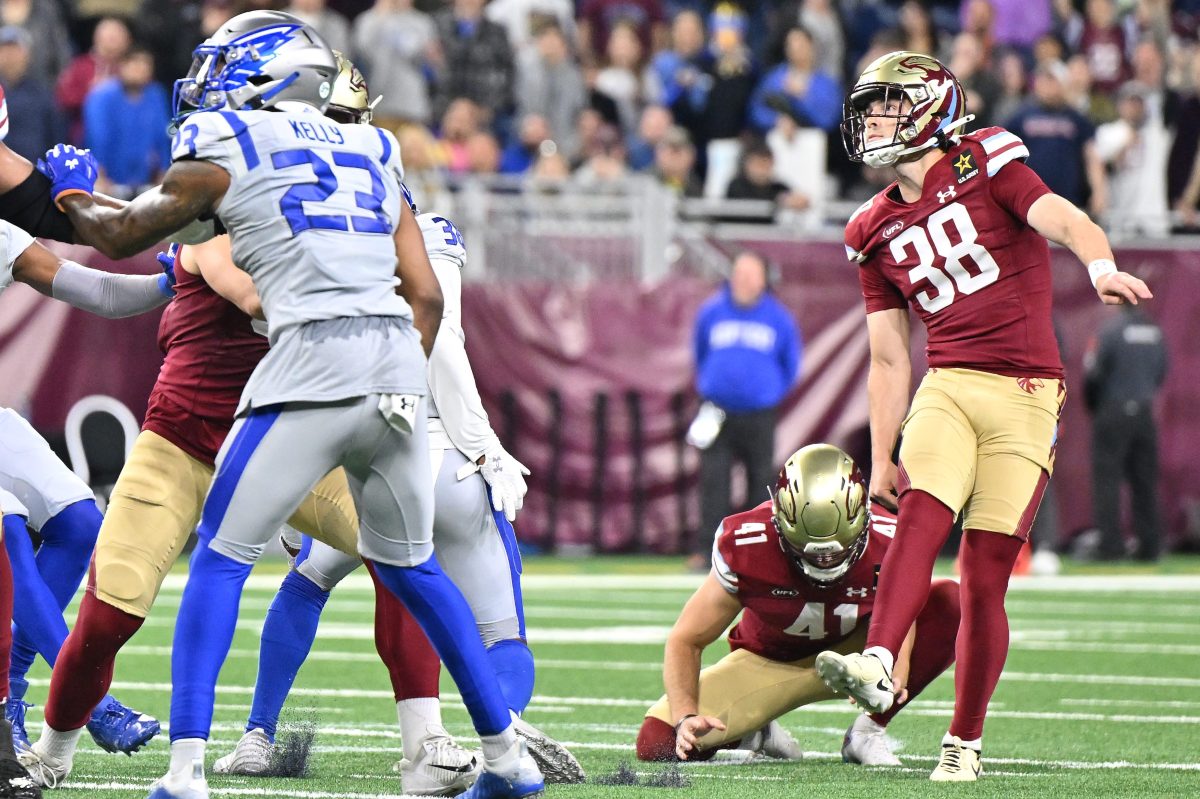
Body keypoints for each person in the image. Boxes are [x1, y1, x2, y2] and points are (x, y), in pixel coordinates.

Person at [20, 11, 544, 799]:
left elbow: (234, 276)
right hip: (196, 431)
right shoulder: (367, 154)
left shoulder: (237, 154)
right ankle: (56, 750)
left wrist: (71, 193)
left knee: (336, 563)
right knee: (113, 609)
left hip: (296, 408)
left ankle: (419, 743)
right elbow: (383, 296)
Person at [211, 57, 582, 789]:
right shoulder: (416, 222)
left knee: (304, 577)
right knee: (496, 626)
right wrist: (484, 445)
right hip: (425, 445)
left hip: (322, 437)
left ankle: (250, 734)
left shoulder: (286, 221)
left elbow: (266, 328)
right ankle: (486, 730)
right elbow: (441, 342)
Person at [814, 51, 1151, 781]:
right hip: (952, 380)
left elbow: (1064, 217)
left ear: (930, 108)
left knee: (984, 573)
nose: (873, 121)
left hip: (1028, 391)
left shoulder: (986, 159)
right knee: (924, 503)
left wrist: (1099, 268)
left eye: (888, 106)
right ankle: (878, 656)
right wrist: (880, 458)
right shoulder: (871, 227)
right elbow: (889, 359)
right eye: (870, 107)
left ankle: (963, 740)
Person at [637, 444, 960, 766]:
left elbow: (903, 609)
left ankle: (867, 732)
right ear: (779, 520)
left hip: (859, 657)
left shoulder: (890, 538)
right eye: (809, 550)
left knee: (950, 604)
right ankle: (756, 732)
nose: (825, 561)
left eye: (838, 551)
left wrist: (896, 666)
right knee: (659, 743)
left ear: (864, 518)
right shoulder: (748, 543)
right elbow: (687, 639)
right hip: (767, 662)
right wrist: (684, 716)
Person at [689, 249, 800, 571]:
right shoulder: (712, 312)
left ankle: (758, 554)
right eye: (739, 274)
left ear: (764, 280)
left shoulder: (779, 318)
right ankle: (707, 550)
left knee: (759, 480)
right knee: (713, 481)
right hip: (716, 411)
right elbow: (700, 353)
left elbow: (790, 365)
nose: (744, 281)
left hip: (759, 414)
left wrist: (768, 393)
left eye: (751, 275)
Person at [1084, 304, 1168, 561]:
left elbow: (1093, 373)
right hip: (1144, 411)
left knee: (1107, 480)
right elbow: (1162, 372)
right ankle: (1150, 545)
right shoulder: (1156, 333)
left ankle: (1110, 545)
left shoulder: (1109, 332)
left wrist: (1096, 406)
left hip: (1112, 409)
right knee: (1145, 480)